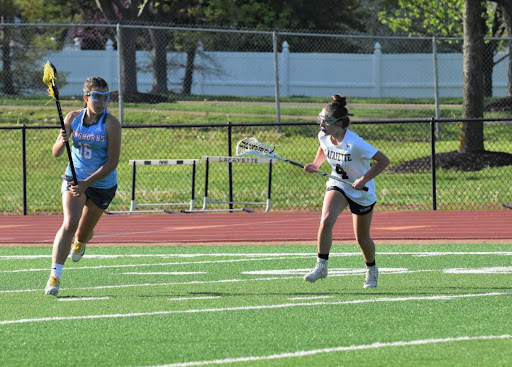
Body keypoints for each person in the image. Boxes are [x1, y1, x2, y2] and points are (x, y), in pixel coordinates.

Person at [45, 76, 122, 296]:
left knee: (82, 232)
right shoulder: (72, 118)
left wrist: (87, 183)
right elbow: (56, 153)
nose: (101, 102)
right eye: (97, 97)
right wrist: (62, 139)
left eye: (106, 97)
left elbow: (112, 163)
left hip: (102, 184)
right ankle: (54, 276)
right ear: (86, 97)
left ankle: (81, 241)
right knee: (69, 223)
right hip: (74, 178)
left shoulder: (111, 124)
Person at [303, 94, 390, 288]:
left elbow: (384, 161)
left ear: (341, 123)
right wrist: (316, 164)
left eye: (327, 122)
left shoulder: (356, 143)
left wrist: (363, 179)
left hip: (361, 192)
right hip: (339, 185)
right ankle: (322, 266)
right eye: (321, 120)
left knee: (362, 238)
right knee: (326, 221)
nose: (322, 125)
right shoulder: (324, 136)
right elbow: (323, 148)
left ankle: (371, 269)